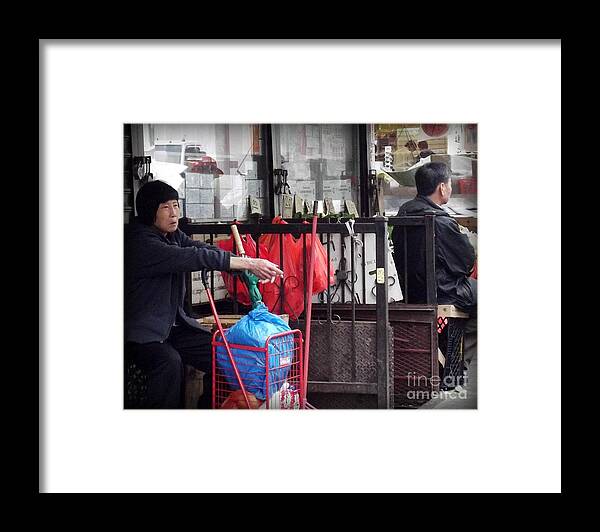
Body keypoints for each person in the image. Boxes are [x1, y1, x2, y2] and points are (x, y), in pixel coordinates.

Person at [125, 179, 283, 409]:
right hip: (142, 335)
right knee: (169, 363)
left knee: (224, 356)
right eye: (165, 207)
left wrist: (237, 265)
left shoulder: (172, 235)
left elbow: (202, 249)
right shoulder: (140, 241)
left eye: (176, 205)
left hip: (174, 328)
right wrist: (246, 263)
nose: (173, 213)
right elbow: (190, 257)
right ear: (150, 210)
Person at [391, 162, 477, 405]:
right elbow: (465, 262)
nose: (449, 188)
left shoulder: (403, 215)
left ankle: (460, 356)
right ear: (442, 187)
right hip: (445, 293)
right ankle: (462, 361)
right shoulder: (441, 220)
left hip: (411, 292)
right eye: (449, 184)